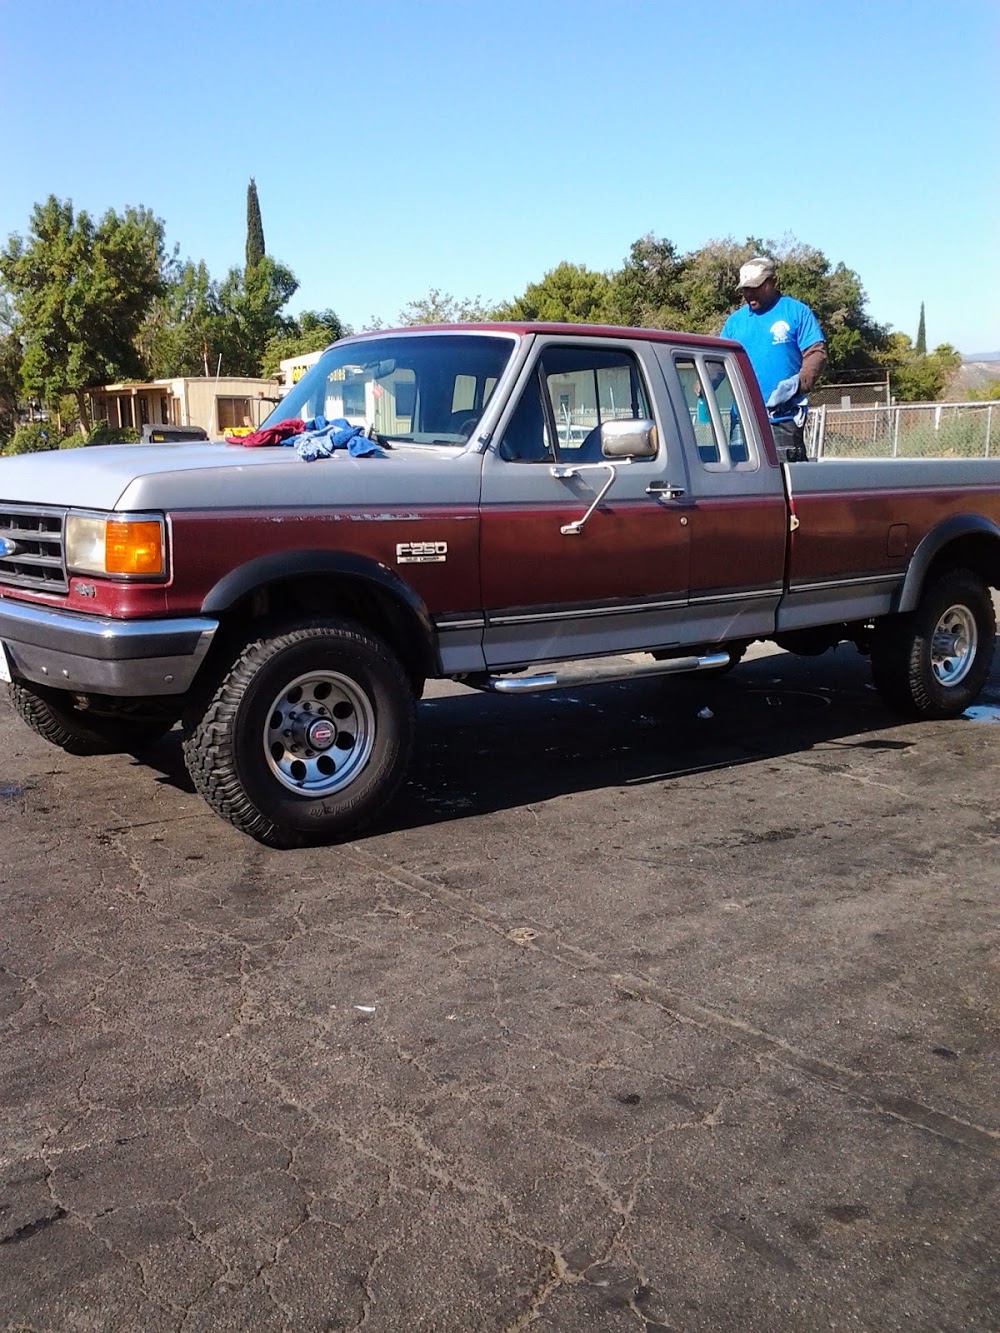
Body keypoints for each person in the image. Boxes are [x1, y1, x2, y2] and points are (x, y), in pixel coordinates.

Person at [721, 256, 827, 461]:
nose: (749, 293)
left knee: (783, 478)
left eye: (755, 287)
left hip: (783, 417)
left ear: (773, 282)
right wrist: (702, 383)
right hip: (742, 418)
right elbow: (719, 360)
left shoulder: (796, 312)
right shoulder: (735, 322)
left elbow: (816, 353)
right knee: (740, 479)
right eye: (745, 288)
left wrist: (798, 383)